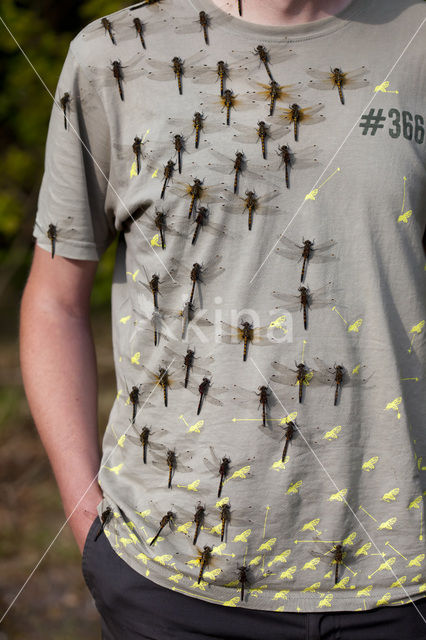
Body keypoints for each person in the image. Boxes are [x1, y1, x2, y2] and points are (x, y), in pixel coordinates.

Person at [20, 0, 426, 638]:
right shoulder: (111, 56)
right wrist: (88, 520)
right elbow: (54, 298)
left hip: (403, 575)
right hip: (170, 582)